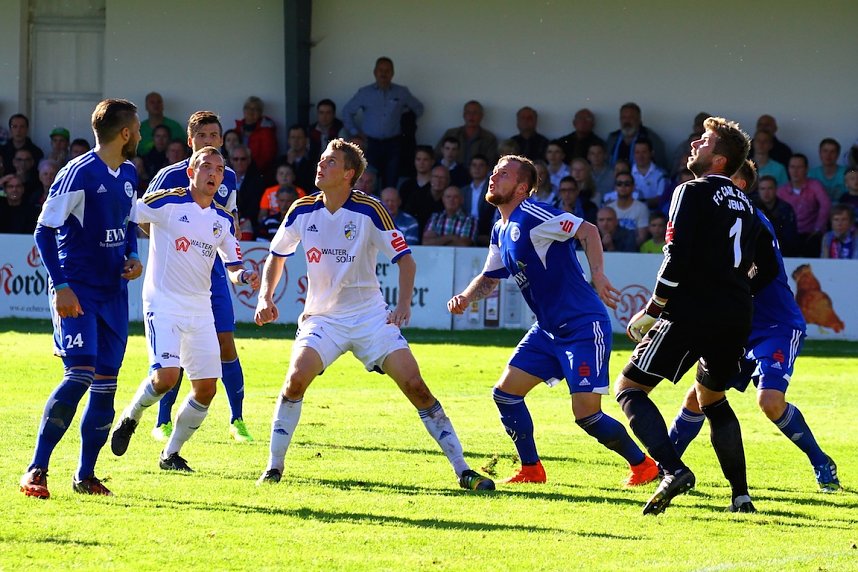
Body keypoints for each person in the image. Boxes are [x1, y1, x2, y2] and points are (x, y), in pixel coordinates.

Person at [253, 138, 494, 491]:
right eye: (321, 159)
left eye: (330, 162)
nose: (321, 165)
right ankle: (274, 467)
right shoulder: (302, 209)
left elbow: (406, 260)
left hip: (369, 318)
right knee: (294, 380)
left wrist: (403, 306)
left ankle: (463, 469)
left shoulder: (370, 210)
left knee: (416, 386)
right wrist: (264, 297)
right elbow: (277, 255)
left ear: (349, 174)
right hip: (323, 319)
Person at [447, 154, 658, 487]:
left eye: (502, 174)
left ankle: (645, 466)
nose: (492, 176)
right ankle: (532, 469)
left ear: (521, 187)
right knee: (505, 394)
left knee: (586, 415)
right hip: (547, 331)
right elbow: (490, 277)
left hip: (582, 326)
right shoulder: (500, 227)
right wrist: (465, 297)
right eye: (494, 171)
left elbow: (587, 230)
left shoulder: (533, 213)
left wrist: (598, 275)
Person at [615, 116, 777, 515]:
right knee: (713, 399)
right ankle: (741, 496)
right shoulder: (749, 207)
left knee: (629, 389)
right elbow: (766, 268)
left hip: (692, 307)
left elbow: (675, 257)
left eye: (703, 142)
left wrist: (653, 309)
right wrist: (735, 291)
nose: (693, 145)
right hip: (736, 313)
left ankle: (673, 470)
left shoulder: (691, 190)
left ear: (719, 160)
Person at [667, 159, 840, 492]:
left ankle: (822, 463)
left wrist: (730, 293)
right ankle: (667, 465)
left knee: (770, 401)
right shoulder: (714, 220)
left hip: (776, 325)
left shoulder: (753, 220)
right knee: (699, 396)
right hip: (736, 326)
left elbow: (768, 272)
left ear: (739, 186)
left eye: (722, 180)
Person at [20, 98, 144, 499]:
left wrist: (132, 257)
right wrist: (60, 286)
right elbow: (44, 230)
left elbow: (126, 223)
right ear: (125, 133)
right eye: (137, 129)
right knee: (79, 376)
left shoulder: (128, 172)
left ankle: (85, 475)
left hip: (113, 295)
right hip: (78, 290)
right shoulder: (77, 172)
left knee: (106, 386)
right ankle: (36, 469)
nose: (140, 135)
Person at [110, 147, 260, 472]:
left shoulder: (222, 219)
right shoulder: (168, 201)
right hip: (163, 303)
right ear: (191, 172)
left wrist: (244, 275)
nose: (213, 173)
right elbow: (128, 213)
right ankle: (131, 417)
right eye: (206, 166)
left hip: (199, 309)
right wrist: (130, 253)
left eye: (219, 169)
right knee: (166, 377)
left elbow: (233, 264)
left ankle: (170, 454)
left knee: (206, 389)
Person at [143, 112, 256, 443]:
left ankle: (237, 419)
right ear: (190, 141)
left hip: (214, 273)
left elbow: (229, 221)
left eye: (214, 136)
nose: (209, 141)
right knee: (176, 352)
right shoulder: (168, 176)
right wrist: (170, 248)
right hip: (176, 279)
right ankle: (163, 421)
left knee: (225, 343)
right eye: (202, 136)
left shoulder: (228, 177)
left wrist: (234, 263)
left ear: (221, 141)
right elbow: (143, 216)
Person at [342, 57, 424, 187]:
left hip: (394, 144)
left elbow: (419, 108)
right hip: (370, 144)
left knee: (391, 180)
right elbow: (347, 111)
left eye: (387, 70)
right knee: (369, 180)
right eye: (381, 70)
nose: (384, 73)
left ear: (393, 73)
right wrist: (355, 132)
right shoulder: (365, 92)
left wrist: (405, 118)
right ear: (375, 72)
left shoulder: (401, 92)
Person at [777, 154, 831, 257]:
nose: (795, 171)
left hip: (811, 236)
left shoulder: (815, 185)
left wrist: (818, 229)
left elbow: (826, 205)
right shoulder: (781, 191)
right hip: (789, 238)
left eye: (799, 167)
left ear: (806, 169)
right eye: (792, 167)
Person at [436, 100, 498, 168]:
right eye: (468, 112)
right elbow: (437, 155)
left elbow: (490, 162)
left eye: (475, 113)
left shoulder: (489, 138)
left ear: (481, 116)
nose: (471, 116)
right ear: (464, 115)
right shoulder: (451, 133)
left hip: (477, 176)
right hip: (452, 174)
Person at [605, 103, 666, 169]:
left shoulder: (652, 139)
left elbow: (661, 167)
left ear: (639, 120)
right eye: (624, 117)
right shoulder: (612, 138)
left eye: (631, 117)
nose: (627, 121)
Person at [752, 174, 799, 256]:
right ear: (758, 190)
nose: (766, 192)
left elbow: (790, 238)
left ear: (776, 189)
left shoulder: (786, 209)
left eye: (770, 188)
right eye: (762, 189)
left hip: (782, 252)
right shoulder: (752, 207)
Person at [235, 96, 278, 181]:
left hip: (257, 174)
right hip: (237, 173)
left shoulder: (266, 132)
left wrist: (251, 171)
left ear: (260, 113)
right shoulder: (238, 129)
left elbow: (267, 157)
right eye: (248, 108)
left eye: (255, 109)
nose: (251, 112)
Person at [604, 172, 649, 246]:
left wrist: (626, 248)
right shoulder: (609, 208)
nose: (623, 186)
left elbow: (642, 238)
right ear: (615, 187)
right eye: (619, 184)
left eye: (627, 184)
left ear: (633, 187)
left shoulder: (641, 208)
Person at [631, 139, 669, 210]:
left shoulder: (661, 174)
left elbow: (660, 199)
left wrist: (640, 202)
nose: (640, 156)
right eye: (637, 152)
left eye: (644, 152)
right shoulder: (627, 172)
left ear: (651, 153)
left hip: (653, 214)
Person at [308, 98, 347, 163]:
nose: (324, 116)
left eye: (328, 113)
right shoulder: (310, 130)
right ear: (317, 114)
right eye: (321, 113)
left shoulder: (341, 129)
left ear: (333, 114)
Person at [279, 124, 315, 191]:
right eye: (293, 137)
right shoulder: (280, 161)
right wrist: (289, 164)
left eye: (299, 137)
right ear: (288, 140)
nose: (296, 141)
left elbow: (308, 183)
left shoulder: (313, 160)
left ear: (306, 140)